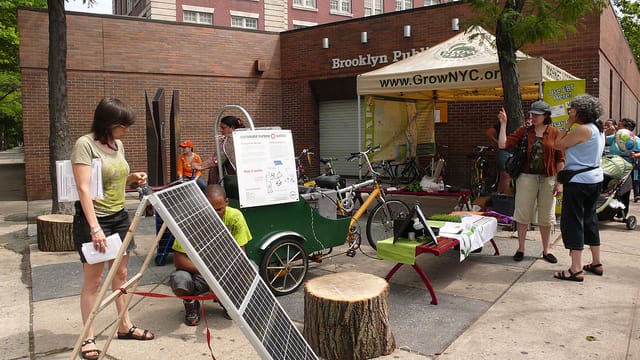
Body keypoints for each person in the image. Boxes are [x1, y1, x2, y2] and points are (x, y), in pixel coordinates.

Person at [71, 98, 154, 360]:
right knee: (94, 282)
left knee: (121, 274)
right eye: (122, 125)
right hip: (95, 220)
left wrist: (133, 177)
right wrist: (95, 229)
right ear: (108, 123)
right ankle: (88, 336)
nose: (126, 130)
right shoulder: (85, 145)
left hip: (119, 217)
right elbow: (84, 188)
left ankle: (125, 326)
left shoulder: (118, 145)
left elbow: (113, 178)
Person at [169, 184, 252, 325]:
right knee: (179, 279)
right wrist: (209, 274)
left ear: (227, 202)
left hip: (226, 270)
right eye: (210, 210)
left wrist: (223, 277)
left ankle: (230, 300)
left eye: (220, 209)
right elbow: (179, 260)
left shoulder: (235, 217)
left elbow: (241, 253)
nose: (215, 214)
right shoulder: (191, 221)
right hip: (198, 273)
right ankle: (191, 304)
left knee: (250, 270)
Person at [498, 100, 565, 264]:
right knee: (523, 213)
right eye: (532, 114)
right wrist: (503, 124)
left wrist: (560, 182)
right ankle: (521, 248)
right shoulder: (524, 131)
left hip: (548, 178)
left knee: (546, 215)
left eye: (537, 114)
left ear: (546, 116)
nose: (533, 117)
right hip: (526, 177)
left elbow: (560, 159)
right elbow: (503, 145)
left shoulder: (555, 133)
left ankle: (546, 249)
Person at [552, 94, 605, 282]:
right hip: (594, 179)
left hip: (579, 181)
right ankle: (596, 262)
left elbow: (558, 144)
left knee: (573, 221)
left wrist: (568, 124)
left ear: (581, 111)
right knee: (590, 219)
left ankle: (575, 268)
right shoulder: (598, 128)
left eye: (572, 109)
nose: (569, 111)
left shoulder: (582, 129)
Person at [196, 115, 245, 184]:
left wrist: (200, 166)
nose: (221, 130)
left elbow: (218, 159)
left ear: (232, 128)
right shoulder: (243, 138)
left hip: (231, 181)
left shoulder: (230, 140)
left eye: (223, 128)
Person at [486, 122, 512, 193]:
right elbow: (489, 132)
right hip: (505, 152)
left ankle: (501, 196)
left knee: (504, 177)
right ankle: (503, 197)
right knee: (506, 177)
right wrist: (498, 142)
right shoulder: (501, 124)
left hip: (507, 152)